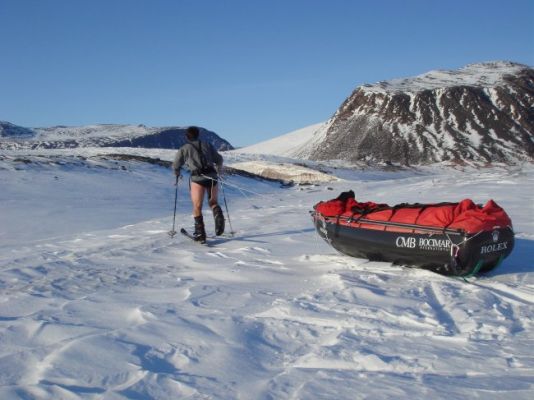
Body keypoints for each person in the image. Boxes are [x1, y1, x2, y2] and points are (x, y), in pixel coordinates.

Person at [172, 126, 225, 242]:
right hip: (212, 177)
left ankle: (200, 233)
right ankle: (218, 214)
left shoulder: (184, 148)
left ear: (187, 136)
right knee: (213, 202)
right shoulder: (207, 145)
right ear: (198, 135)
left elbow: (176, 164)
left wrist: (176, 174)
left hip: (198, 179)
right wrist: (219, 170)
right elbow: (219, 159)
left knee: (197, 206)